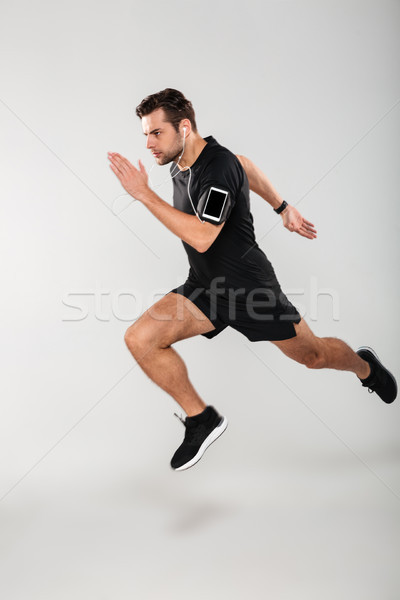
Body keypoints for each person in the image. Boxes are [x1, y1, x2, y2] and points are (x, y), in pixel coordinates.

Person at [108, 88, 397, 472]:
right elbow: (246, 165)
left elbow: (202, 235)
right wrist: (282, 206)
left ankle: (365, 368)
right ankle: (201, 419)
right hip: (205, 288)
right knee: (140, 338)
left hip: (251, 291)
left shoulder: (217, 166)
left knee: (314, 356)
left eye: (155, 133)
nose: (148, 144)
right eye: (145, 134)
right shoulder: (184, 161)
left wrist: (144, 194)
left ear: (184, 127)